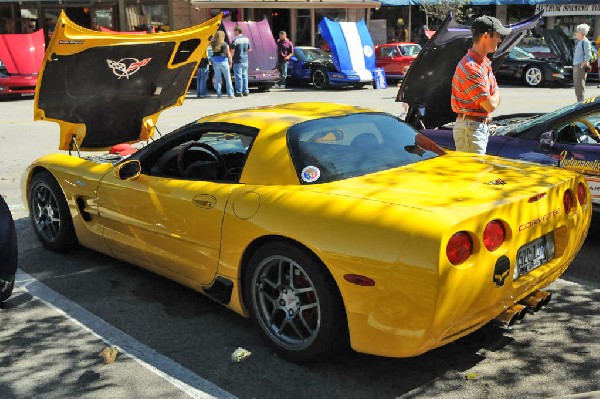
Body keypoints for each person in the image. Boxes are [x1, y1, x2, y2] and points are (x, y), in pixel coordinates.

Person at [450, 16, 510, 154]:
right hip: (470, 129)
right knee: (474, 175)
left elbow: (494, 93)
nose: (500, 40)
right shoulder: (470, 67)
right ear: (485, 36)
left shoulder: (484, 62)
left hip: (475, 127)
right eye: (497, 36)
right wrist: (496, 94)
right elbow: (490, 105)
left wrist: (495, 94)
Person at [210, 31, 234, 99]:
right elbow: (229, 54)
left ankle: (219, 94)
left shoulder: (213, 44)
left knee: (218, 79)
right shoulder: (225, 44)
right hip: (224, 62)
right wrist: (230, 62)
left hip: (215, 62)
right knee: (228, 79)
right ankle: (230, 94)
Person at [230, 25, 251, 97]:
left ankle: (239, 92)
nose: (233, 32)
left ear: (237, 31)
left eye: (234, 30)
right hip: (245, 60)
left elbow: (232, 51)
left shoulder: (235, 40)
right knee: (245, 75)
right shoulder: (247, 39)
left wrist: (230, 59)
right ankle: (246, 91)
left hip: (237, 60)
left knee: (238, 76)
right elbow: (249, 49)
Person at [573, 23, 592, 102]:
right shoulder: (580, 42)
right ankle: (579, 103)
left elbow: (588, 55)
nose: (576, 33)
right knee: (577, 87)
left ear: (581, 33)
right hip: (576, 66)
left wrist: (582, 65)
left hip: (579, 67)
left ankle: (580, 105)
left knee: (580, 87)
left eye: (577, 32)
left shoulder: (585, 42)